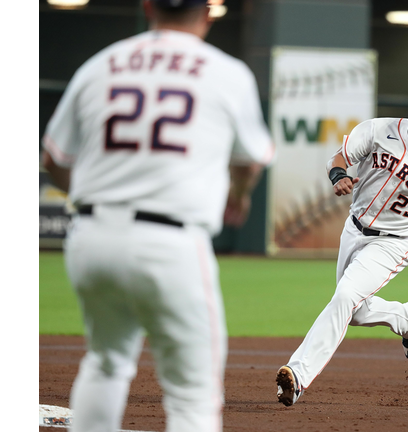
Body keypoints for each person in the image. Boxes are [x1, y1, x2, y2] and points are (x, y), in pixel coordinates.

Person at [41, 0, 274, 430]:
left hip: (91, 237)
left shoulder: (102, 63)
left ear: (148, 7)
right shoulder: (225, 71)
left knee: (106, 363)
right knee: (193, 396)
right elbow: (251, 160)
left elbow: (53, 157)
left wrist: (94, 191)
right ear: (208, 12)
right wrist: (238, 195)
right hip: (170, 243)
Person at [275, 85, 408, 406]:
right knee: (355, 312)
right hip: (353, 229)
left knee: (345, 297)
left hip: (393, 244)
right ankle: (405, 318)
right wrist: (338, 175)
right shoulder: (378, 130)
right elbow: (340, 157)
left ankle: (298, 374)